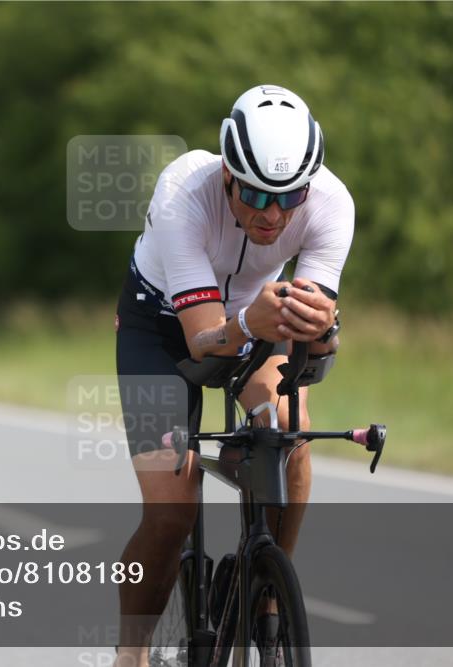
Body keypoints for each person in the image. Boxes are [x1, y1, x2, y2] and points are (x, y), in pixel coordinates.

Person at [114, 85, 351, 666]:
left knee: (291, 430)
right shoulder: (183, 192)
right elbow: (202, 341)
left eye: (288, 197)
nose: (272, 215)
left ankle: (268, 594)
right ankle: (131, 651)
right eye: (253, 194)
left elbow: (312, 351)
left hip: (255, 314)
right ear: (226, 173)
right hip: (163, 327)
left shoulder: (331, 203)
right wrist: (252, 320)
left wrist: (324, 329)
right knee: (172, 511)